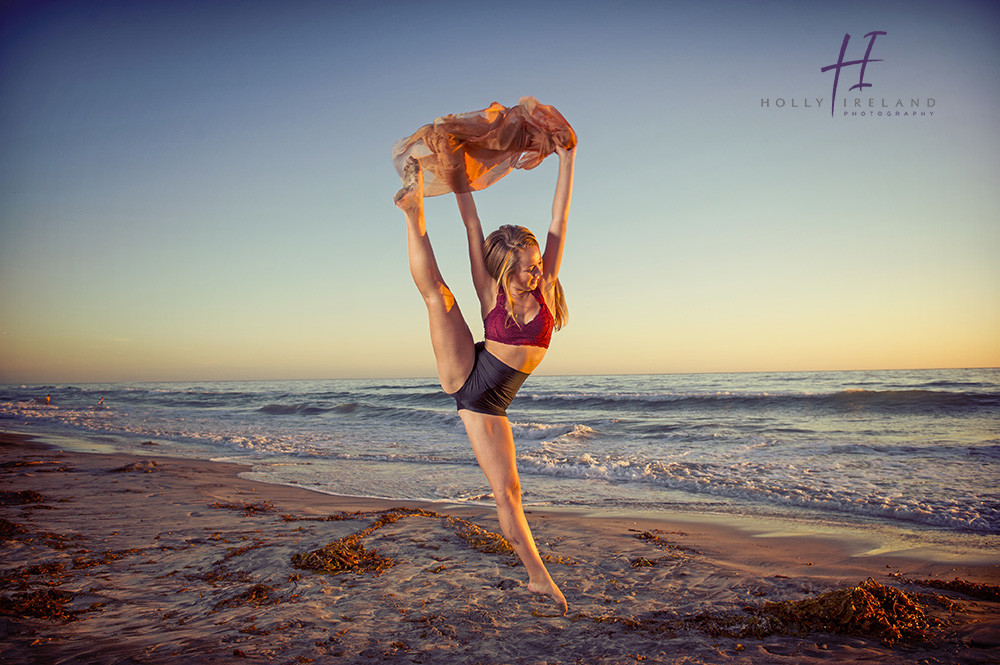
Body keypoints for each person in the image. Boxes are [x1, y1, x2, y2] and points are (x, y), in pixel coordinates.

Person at [394, 142, 575, 614]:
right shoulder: (490, 290)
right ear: (503, 270)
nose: (535, 275)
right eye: (524, 271)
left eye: (536, 266)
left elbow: (558, 220)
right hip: (475, 393)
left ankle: (535, 577)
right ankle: (412, 215)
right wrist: (456, 175)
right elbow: (472, 225)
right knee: (437, 296)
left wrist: (567, 159)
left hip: (494, 396)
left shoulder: (547, 282)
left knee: (510, 492)